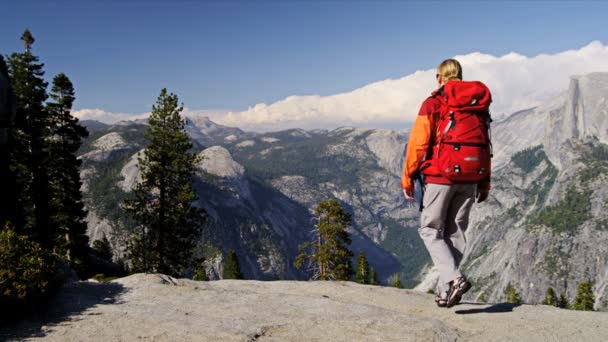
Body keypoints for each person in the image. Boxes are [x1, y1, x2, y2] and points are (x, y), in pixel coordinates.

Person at [401, 58, 491, 308]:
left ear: (439, 77)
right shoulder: (478, 106)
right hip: (472, 177)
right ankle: (445, 292)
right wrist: (484, 182)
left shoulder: (434, 102)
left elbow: (418, 144)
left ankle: (454, 278)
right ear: (461, 76)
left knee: (430, 230)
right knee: (455, 232)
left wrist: (408, 176)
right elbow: (486, 145)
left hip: (441, 176)